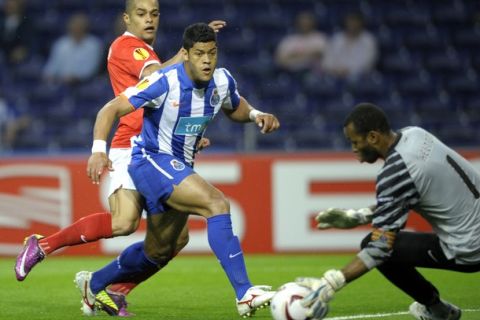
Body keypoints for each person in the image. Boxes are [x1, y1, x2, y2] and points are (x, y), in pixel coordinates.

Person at [15, 0, 225, 316]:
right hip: (133, 143)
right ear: (127, 18)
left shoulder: (147, 50)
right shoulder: (129, 47)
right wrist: (188, 54)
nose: (149, 19)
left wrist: (188, 135)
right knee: (124, 221)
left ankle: (114, 290)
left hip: (160, 146)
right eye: (141, 14)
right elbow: (159, 78)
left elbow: (168, 98)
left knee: (175, 239)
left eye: (154, 13)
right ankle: (42, 246)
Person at [80, 22, 280, 317]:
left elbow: (233, 105)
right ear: (185, 54)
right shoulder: (163, 81)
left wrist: (255, 114)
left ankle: (93, 284)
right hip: (150, 161)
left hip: (178, 166)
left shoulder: (222, 81)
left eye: (212, 53)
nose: (207, 60)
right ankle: (244, 293)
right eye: (199, 54)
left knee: (161, 249)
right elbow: (110, 109)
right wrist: (98, 151)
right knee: (217, 203)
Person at [296, 103, 480, 320]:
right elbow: (404, 196)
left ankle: (438, 311)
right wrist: (360, 215)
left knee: (374, 247)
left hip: (470, 249)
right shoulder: (416, 134)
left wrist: (331, 283)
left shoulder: (396, 171)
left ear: (373, 137)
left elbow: (380, 248)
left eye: (355, 142)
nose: (353, 149)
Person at [42, 12, 103, 85]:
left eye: (79, 26)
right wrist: (49, 75)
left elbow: (92, 69)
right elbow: (52, 66)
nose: (76, 28)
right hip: (59, 82)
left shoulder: (93, 44)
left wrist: (76, 77)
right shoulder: (61, 43)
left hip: (83, 83)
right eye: (74, 25)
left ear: (85, 27)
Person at [321, 12, 378, 81]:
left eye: (355, 21)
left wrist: (348, 70)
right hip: (335, 75)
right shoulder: (337, 38)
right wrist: (335, 70)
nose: (352, 24)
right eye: (350, 21)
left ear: (361, 23)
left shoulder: (368, 40)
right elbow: (327, 60)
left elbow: (368, 63)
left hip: (358, 77)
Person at [0, 0, 35, 65]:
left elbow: (30, 41)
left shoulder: (28, 23)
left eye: (12, 3)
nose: (9, 5)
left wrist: (24, 50)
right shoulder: (1, 20)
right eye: (7, 3)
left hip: (17, 54)